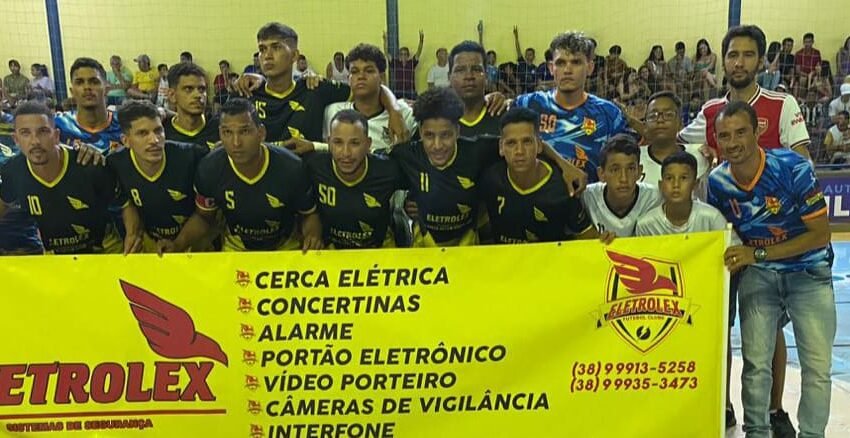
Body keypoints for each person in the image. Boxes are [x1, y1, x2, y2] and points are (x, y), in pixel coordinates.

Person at [708, 100, 835, 438]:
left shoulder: (793, 168)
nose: (733, 142)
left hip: (808, 272)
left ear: (758, 132)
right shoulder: (718, 183)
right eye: (724, 136)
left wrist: (758, 255)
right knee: (755, 366)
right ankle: (757, 433)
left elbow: (821, 235)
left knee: (817, 368)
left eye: (740, 133)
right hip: (759, 276)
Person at [391, 87, 580, 247]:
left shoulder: (478, 150)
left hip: (468, 242)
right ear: (420, 132)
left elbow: (523, 141)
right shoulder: (406, 155)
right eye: (429, 135)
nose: (438, 145)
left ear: (458, 131)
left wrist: (565, 165)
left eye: (446, 135)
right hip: (425, 242)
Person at [158, 98, 321, 253]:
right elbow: (204, 217)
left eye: (245, 131)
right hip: (236, 247)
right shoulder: (209, 168)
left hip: (285, 246)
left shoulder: (291, 167)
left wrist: (313, 236)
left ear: (261, 133)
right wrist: (178, 244)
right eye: (227, 132)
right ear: (220, 135)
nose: (236, 142)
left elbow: (308, 214)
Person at [239, 23, 407, 146]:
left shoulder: (315, 87)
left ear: (295, 56)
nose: (267, 55)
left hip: (306, 184)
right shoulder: (246, 92)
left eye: (276, 47)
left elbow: (366, 87)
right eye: (262, 49)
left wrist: (394, 110)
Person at [0, 102, 127, 254]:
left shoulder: (88, 164)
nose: (35, 141)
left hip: (104, 251)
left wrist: (133, 235)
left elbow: (126, 203)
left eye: (43, 131)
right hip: (55, 257)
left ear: (56, 136)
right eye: (25, 133)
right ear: (15, 139)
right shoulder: (12, 171)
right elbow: (3, 204)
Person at [680, 25, 811, 161]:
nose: (739, 63)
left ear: (760, 62)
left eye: (748, 55)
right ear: (724, 63)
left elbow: (803, 166)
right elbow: (674, 144)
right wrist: (698, 150)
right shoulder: (710, 111)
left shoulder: (783, 105)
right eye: (733, 55)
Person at [515, 31, 628, 185]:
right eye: (561, 63)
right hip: (533, 200)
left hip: (587, 203)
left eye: (576, 62)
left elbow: (623, 166)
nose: (567, 70)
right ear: (550, 67)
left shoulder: (609, 114)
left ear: (590, 67)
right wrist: (493, 98)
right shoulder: (528, 105)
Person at [480, 107, 597, 244]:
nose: (519, 151)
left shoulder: (563, 187)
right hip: (504, 262)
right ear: (501, 147)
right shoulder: (491, 179)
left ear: (540, 146)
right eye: (511, 143)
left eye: (527, 142)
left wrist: (607, 241)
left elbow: (587, 236)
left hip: (550, 262)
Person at [108, 100, 210, 252]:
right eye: (143, 133)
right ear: (126, 141)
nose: (154, 140)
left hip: (196, 243)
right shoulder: (115, 164)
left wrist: (179, 244)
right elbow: (127, 201)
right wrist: (133, 233)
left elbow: (206, 216)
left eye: (158, 131)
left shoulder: (194, 157)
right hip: (152, 244)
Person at [304, 110, 404, 248]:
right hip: (330, 252)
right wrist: (312, 233)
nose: (346, 153)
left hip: (378, 251)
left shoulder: (388, 170)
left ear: (368, 144)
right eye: (338, 142)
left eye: (355, 143)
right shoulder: (313, 166)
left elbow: (419, 179)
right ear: (328, 143)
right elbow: (305, 209)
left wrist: (414, 202)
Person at [322, 44, 416, 152]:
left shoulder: (404, 114)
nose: (361, 76)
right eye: (354, 71)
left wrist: (394, 110)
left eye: (369, 71)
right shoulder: (332, 111)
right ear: (349, 78)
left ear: (381, 77)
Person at [581, 134, 661, 240]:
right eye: (615, 170)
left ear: (639, 171)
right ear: (601, 174)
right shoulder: (586, 197)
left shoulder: (656, 198)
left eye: (631, 169)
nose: (624, 178)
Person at [636, 151, 729, 237]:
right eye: (669, 178)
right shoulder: (646, 225)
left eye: (683, 178)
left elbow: (731, 249)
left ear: (695, 184)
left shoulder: (712, 219)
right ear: (661, 185)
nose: (676, 185)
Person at [640, 92, 709, 197]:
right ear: (645, 124)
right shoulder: (635, 158)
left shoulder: (701, 155)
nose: (660, 120)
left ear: (680, 123)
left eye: (668, 115)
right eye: (653, 115)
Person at [55, 57, 123, 154]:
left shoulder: (124, 124)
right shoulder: (58, 124)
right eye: (79, 82)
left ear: (106, 89)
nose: (87, 87)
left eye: (94, 82)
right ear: (72, 91)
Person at [450, 41, 502, 139]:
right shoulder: (437, 120)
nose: (469, 76)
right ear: (449, 77)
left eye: (476, 69)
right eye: (460, 70)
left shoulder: (502, 115)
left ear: (486, 76)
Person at [163, 62, 220, 149]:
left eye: (202, 89)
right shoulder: (162, 133)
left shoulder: (220, 128)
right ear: (172, 95)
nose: (198, 95)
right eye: (188, 89)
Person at [384, 30, 424, 100]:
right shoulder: (395, 63)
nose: (403, 56)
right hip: (398, 91)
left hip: (410, 91)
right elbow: (386, 53)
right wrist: (385, 40)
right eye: (401, 54)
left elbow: (419, 52)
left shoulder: (411, 63)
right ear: (399, 55)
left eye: (405, 54)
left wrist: (421, 40)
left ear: (408, 55)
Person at [512, 26, 537, 94]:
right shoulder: (522, 63)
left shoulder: (535, 68)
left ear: (534, 56)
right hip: (521, 88)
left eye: (530, 55)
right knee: (518, 87)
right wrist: (516, 37)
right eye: (527, 54)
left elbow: (536, 82)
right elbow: (518, 50)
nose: (528, 56)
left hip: (531, 89)